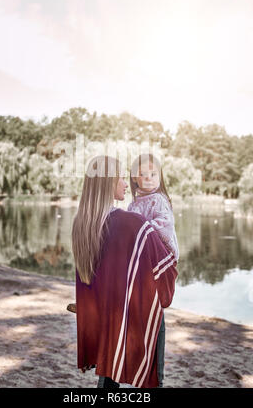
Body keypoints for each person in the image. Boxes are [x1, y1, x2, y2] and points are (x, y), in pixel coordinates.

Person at [71, 155, 178, 388]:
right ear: (108, 182)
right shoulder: (132, 222)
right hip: (135, 308)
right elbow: (165, 265)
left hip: (104, 311)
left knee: (108, 372)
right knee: (152, 378)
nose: (126, 183)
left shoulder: (82, 223)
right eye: (120, 177)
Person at [127, 153, 180, 387]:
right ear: (134, 178)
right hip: (142, 261)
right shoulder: (133, 203)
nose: (149, 178)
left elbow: (163, 227)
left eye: (153, 174)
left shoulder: (159, 201)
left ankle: (155, 377)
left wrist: (141, 228)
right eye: (143, 174)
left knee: (156, 309)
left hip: (159, 258)